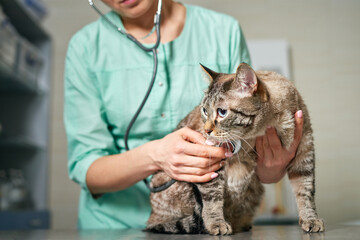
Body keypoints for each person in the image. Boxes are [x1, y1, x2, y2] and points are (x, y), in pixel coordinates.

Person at [64, 0, 303, 229]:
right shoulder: (84, 47)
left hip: (209, 222)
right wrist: (155, 156)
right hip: (113, 227)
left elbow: (247, 137)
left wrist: (270, 169)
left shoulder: (223, 31)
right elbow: (86, 168)